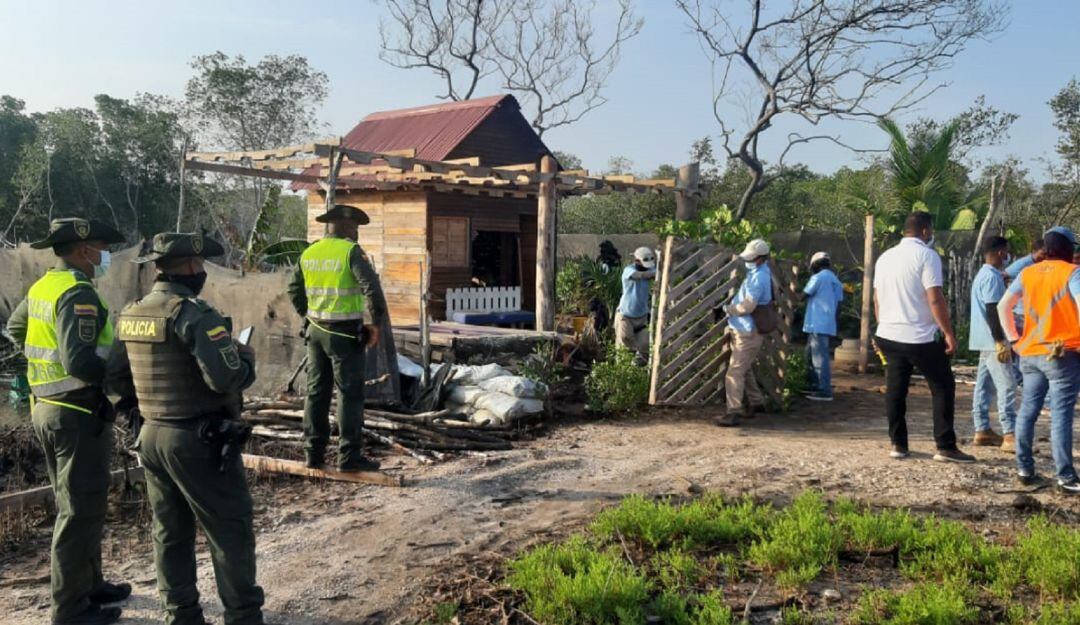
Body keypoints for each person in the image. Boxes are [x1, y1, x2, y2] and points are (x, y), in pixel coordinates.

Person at [112, 232, 266, 624]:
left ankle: (180, 614)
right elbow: (225, 378)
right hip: (198, 439)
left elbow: (114, 375)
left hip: (151, 436)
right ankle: (243, 616)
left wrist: (137, 409)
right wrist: (246, 360)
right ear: (194, 265)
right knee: (228, 528)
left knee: (170, 530)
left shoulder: (131, 313)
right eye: (200, 265)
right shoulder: (194, 314)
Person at [5, 217, 130, 625]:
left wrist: (43, 366)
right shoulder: (78, 292)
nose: (105, 256)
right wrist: (118, 379)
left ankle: (90, 585)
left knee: (80, 504)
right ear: (83, 251)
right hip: (76, 412)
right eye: (102, 249)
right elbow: (79, 361)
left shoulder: (44, 286)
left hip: (46, 407)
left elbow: (15, 327)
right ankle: (70, 610)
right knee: (78, 511)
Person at [287, 204, 387, 471]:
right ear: (345, 225)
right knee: (349, 394)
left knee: (316, 392)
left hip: (315, 332)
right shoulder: (350, 252)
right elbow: (373, 291)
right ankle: (348, 457)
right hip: (344, 335)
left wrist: (307, 315)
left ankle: (313, 454)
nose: (357, 232)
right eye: (355, 226)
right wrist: (375, 324)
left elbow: (293, 288)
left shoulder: (309, 252)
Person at [873, 212, 974, 463]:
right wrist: (948, 332)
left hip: (888, 334)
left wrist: (882, 325)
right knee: (942, 386)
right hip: (919, 336)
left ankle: (898, 444)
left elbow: (876, 298)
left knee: (896, 390)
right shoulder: (927, 256)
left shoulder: (885, 257)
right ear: (926, 231)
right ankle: (945, 446)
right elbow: (934, 298)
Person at [998, 228, 1080, 493]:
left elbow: (1003, 306)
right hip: (1061, 354)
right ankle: (1065, 477)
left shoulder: (1028, 273)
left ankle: (1025, 470)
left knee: (1027, 411)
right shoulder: (1072, 273)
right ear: (1067, 248)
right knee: (1061, 415)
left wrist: (1014, 339)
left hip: (1030, 352)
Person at [716, 239, 773, 426]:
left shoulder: (758, 278)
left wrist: (727, 309)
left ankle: (733, 412)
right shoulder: (760, 273)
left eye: (751, 258)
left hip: (747, 331)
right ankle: (757, 403)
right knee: (744, 368)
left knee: (734, 372)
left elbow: (747, 307)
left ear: (761, 258)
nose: (748, 261)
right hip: (744, 329)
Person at [968, 236, 1017, 451]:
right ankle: (1010, 434)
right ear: (1000, 252)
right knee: (1007, 385)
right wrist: (1000, 340)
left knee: (984, 385)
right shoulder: (992, 277)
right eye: (1006, 251)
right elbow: (993, 310)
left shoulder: (984, 274)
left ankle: (982, 429)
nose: (1008, 256)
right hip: (993, 340)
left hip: (983, 339)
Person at [802, 251, 844, 401]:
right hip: (826, 323)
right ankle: (814, 385)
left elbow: (804, 294)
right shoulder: (835, 280)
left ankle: (824, 390)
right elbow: (839, 304)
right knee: (811, 355)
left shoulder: (818, 278)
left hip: (816, 322)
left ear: (815, 264)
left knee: (819, 357)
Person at [615, 246, 657, 365]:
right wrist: (654, 274)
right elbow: (639, 276)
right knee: (625, 339)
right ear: (637, 261)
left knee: (645, 345)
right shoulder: (629, 270)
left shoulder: (651, 270)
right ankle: (623, 368)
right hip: (625, 315)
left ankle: (638, 369)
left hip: (642, 316)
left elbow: (656, 273)